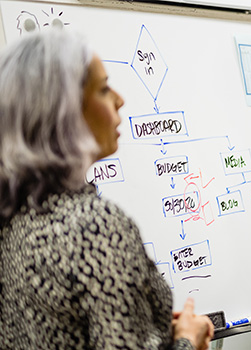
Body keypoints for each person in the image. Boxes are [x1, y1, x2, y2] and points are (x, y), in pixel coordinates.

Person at [0, 30, 214, 350]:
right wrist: (187, 340)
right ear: (63, 111)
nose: (119, 99)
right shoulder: (94, 227)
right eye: (102, 89)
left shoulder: (12, 217)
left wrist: (145, 325)